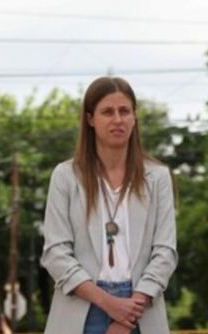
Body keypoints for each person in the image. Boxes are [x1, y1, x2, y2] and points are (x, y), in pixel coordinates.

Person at [41, 76, 177, 334]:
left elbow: (165, 252)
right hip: (81, 306)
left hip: (141, 310)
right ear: (90, 119)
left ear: (134, 117)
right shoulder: (66, 176)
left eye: (124, 111)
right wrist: (108, 303)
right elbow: (56, 252)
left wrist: (127, 315)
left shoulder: (157, 177)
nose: (118, 119)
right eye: (107, 112)